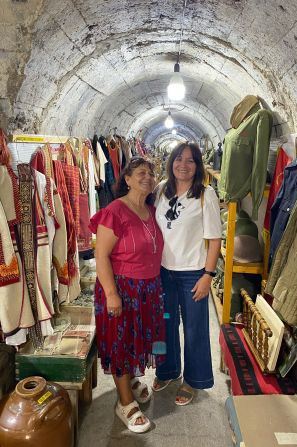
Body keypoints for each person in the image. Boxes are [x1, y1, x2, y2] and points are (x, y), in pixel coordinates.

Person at [89, 157, 165, 433]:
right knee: (121, 344)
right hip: (122, 288)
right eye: (141, 173)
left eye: (151, 173)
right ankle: (124, 403)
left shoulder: (151, 210)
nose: (148, 177)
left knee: (136, 339)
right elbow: (101, 256)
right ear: (128, 179)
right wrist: (111, 294)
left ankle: (130, 380)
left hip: (148, 289)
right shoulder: (114, 211)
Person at [153, 142, 221, 405]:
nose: (183, 165)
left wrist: (208, 275)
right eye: (179, 159)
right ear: (171, 162)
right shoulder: (161, 190)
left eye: (191, 161)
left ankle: (194, 380)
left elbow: (214, 240)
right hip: (164, 274)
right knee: (166, 323)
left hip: (193, 275)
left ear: (198, 166)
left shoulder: (206, 195)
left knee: (194, 329)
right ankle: (167, 369)